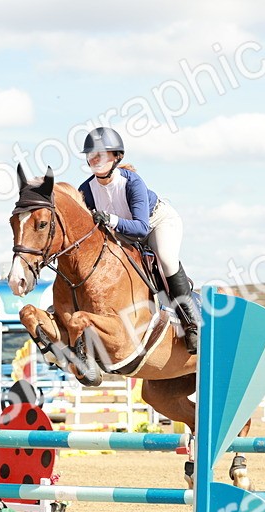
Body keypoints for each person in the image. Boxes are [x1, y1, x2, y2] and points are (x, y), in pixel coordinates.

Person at [77, 127, 199, 353]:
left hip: (157, 222)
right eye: (90, 155)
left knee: (165, 258)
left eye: (101, 154)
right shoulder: (86, 190)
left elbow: (142, 229)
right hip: (122, 230)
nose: (94, 159)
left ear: (116, 157)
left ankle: (191, 324)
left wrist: (111, 219)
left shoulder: (132, 182)